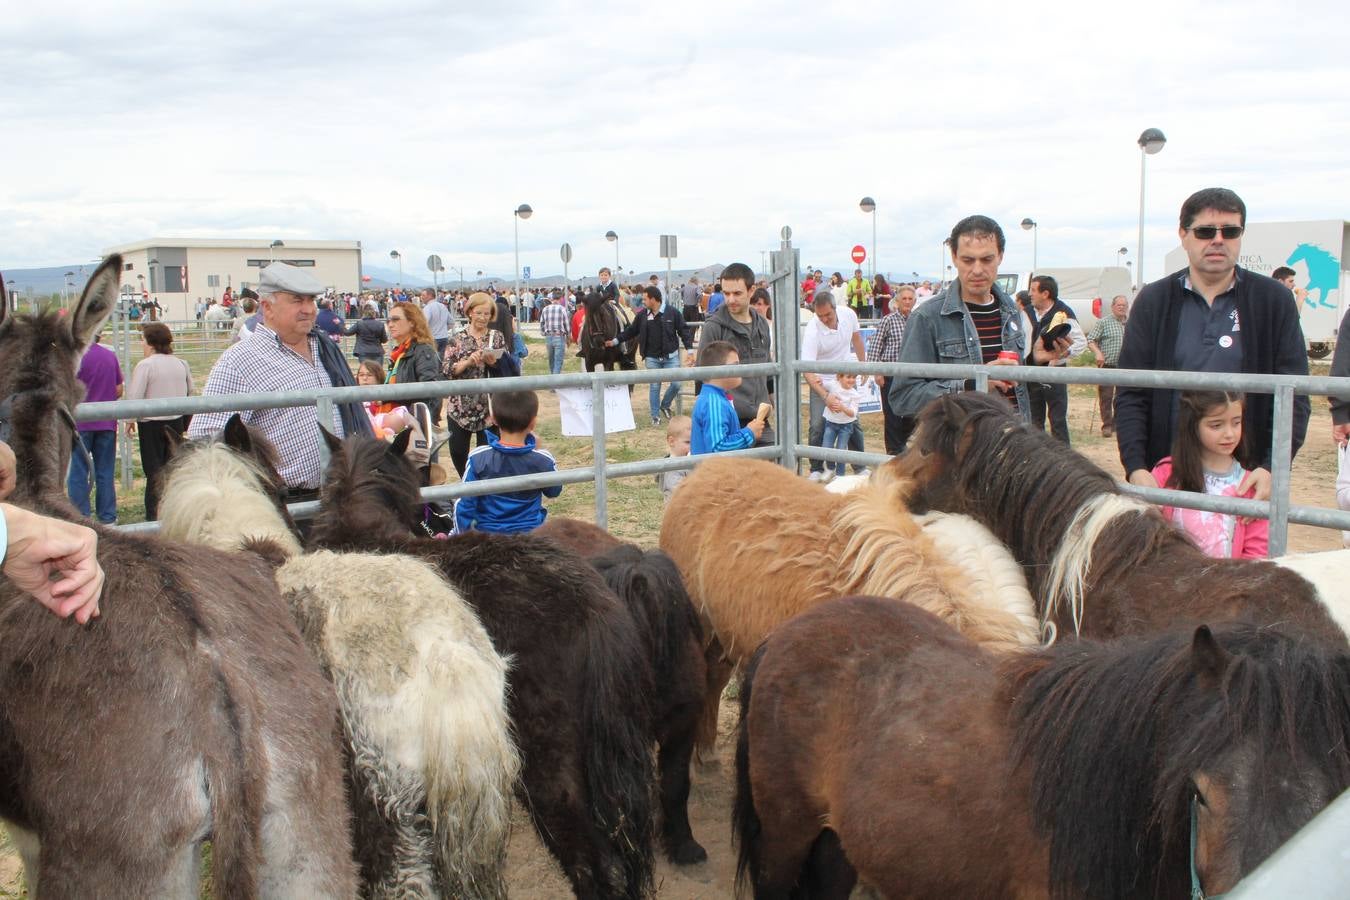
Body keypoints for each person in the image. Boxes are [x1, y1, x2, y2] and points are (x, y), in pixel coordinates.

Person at [1115, 188, 1310, 502]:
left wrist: (1271, 467)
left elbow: (1294, 395)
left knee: (1250, 554)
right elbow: (1131, 391)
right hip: (1168, 480)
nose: (1218, 240)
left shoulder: (1274, 301)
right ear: (1183, 234)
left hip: (1246, 483)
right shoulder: (1153, 300)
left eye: (1230, 231)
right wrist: (1137, 467)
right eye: (1205, 231)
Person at [188, 261, 371, 497]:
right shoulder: (240, 360)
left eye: (311, 300)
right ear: (267, 307)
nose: (308, 309)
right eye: (297, 300)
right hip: (284, 502)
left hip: (343, 495)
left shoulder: (324, 348)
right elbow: (206, 438)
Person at [888, 215, 1030, 421]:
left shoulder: (1011, 310)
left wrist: (1041, 363)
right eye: (968, 260)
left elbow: (1020, 387)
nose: (978, 269)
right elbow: (903, 398)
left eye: (987, 259)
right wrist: (972, 386)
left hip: (1013, 442)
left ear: (1000, 256)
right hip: (964, 448)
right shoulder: (927, 317)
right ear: (954, 257)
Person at [1150, 390, 1267, 559]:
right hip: (1172, 580)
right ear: (1193, 425)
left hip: (1227, 582)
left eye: (1236, 423)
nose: (1229, 434)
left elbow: (1257, 553)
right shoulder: (1166, 472)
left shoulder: (1250, 485)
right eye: (1216, 425)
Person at [453, 390, 561, 534]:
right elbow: (554, 491)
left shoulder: (478, 457)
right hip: (531, 537)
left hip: (489, 538)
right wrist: (539, 451)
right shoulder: (543, 459)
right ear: (533, 422)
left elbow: (464, 505)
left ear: (493, 419)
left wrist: (463, 541)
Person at [697, 262, 775, 445]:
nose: (730, 299)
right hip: (727, 420)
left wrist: (773, 406)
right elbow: (701, 376)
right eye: (726, 293)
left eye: (737, 293)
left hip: (760, 419)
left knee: (778, 466)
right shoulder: (714, 327)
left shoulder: (762, 325)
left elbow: (768, 371)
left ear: (751, 290)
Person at [126, 323, 193, 520]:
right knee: (173, 470)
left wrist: (129, 419)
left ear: (150, 342)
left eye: (143, 340)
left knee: (154, 474)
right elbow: (190, 391)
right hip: (176, 422)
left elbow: (135, 395)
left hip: (151, 425)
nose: (142, 344)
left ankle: (153, 517)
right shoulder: (181, 363)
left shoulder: (146, 365)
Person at [801, 290, 867, 480]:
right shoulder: (813, 331)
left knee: (853, 422)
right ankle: (816, 468)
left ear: (835, 309)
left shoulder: (849, 315)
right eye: (819, 316)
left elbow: (856, 339)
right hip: (820, 380)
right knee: (817, 424)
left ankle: (859, 467)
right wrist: (825, 395)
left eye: (828, 314)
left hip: (844, 376)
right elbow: (807, 368)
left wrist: (863, 366)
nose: (824, 319)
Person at [607, 286, 695, 426]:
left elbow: (684, 331)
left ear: (654, 299)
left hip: (671, 357)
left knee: (677, 384)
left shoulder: (672, 313)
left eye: (645, 299)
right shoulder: (642, 315)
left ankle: (665, 405)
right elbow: (631, 331)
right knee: (655, 386)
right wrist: (615, 341)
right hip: (652, 358)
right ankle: (655, 416)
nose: (643, 301)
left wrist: (690, 351)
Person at [442, 292, 507, 477]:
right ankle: (468, 486)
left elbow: (507, 366)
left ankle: (482, 492)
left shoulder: (497, 337)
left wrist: (493, 362)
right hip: (460, 407)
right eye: (479, 313)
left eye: (487, 314)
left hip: (489, 407)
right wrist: (467, 362)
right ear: (470, 312)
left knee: (486, 456)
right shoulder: (456, 338)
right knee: (457, 452)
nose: (483, 318)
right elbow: (446, 369)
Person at [1022, 274, 1086, 445]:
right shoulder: (1027, 312)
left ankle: (1064, 461)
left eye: (1033, 290)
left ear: (1046, 293)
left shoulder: (1063, 313)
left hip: (1055, 373)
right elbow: (1020, 342)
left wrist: (1061, 356)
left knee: (1057, 419)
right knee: (1034, 420)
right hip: (1031, 373)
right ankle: (1036, 458)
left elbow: (1080, 342)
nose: (1030, 294)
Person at [68, 334, 123, 524]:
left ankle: (80, 516)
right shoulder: (109, 356)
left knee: (78, 472)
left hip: (80, 423)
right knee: (105, 472)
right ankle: (108, 517)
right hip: (107, 422)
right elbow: (118, 389)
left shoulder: (73, 357)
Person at [867, 284, 917, 454]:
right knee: (892, 416)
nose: (907, 302)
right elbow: (875, 346)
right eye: (904, 298)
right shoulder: (888, 320)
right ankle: (894, 453)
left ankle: (900, 444)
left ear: (915, 301)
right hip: (890, 375)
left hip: (911, 376)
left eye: (911, 299)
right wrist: (877, 371)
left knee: (913, 413)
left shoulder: (918, 320)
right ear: (897, 301)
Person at [691, 340, 763, 454]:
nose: (740, 369)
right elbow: (717, 447)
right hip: (713, 471)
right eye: (736, 365)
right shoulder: (714, 402)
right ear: (718, 370)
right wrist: (749, 434)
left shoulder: (717, 398)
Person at [386, 301, 443, 427]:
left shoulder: (423, 350)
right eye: (388, 321)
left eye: (395, 320)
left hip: (414, 424)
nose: (390, 325)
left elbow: (430, 392)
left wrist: (421, 426)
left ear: (412, 322)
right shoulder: (399, 353)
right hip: (400, 421)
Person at [1086, 294, 1130, 437]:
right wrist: (1098, 353)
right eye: (1119, 305)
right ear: (1112, 307)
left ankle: (1119, 424)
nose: (1122, 307)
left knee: (1122, 397)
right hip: (1108, 365)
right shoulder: (1103, 322)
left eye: (1124, 305)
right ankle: (1107, 425)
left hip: (1126, 367)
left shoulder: (1132, 323)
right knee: (1106, 397)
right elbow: (1091, 339)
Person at [821, 372, 865, 482]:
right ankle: (830, 468)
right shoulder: (833, 385)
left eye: (854, 377)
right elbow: (822, 385)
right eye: (848, 377)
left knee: (841, 450)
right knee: (826, 446)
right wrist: (819, 381)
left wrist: (842, 407)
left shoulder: (854, 395)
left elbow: (853, 413)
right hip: (831, 423)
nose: (851, 380)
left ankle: (840, 475)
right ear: (839, 377)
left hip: (846, 426)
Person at [355, 360, 413, 439]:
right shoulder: (352, 399)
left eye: (369, 375)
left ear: (378, 378)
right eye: (361, 375)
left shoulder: (388, 398)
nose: (365, 378)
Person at [656, 414, 692, 502]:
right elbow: (680, 493)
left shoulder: (688, 461)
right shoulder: (672, 467)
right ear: (672, 441)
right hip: (678, 511)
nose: (692, 447)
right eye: (687, 442)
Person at [540, 291, 571, 375]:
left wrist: (544, 333)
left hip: (549, 337)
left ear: (552, 298)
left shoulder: (545, 309)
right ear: (561, 299)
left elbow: (542, 323)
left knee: (551, 360)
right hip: (559, 336)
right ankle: (555, 384)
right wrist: (568, 336)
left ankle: (552, 380)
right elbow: (566, 325)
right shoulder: (562, 309)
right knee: (558, 361)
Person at [421, 288, 451, 357]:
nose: (421, 297)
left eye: (423, 295)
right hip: (444, 338)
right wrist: (443, 329)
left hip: (433, 339)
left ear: (430, 296)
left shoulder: (427, 308)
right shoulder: (443, 306)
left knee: (432, 362)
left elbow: (423, 323)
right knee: (441, 361)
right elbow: (451, 321)